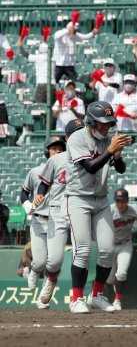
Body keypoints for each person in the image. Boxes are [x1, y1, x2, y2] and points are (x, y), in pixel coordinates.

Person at [65, 101, 131, 313]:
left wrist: (117, 153)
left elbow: (120, 169)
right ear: (91, 122)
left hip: (101, 199)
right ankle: (76, 298)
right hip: (78, 198)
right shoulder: (77, 138)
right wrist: (111, 150)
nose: (106, 127)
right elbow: (91, 167)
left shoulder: (109, 140)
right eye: (102, 123)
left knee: (107, 250)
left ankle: (97, 295)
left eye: (108, 124)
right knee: (82, 250)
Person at [36, 119, 85, 308]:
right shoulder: (56, 159)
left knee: (80, 255)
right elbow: (44, 183)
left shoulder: (89, 157)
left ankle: (77, 296)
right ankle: (51, 278)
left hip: (79, 209)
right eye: (76, 133)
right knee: (54, 260)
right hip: (57, 210)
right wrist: (40, 194)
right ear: (68, 138)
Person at [20, 136, 66, 300]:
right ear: (47, 151)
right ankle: (32, 270)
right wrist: (26, 204)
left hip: (58, 219)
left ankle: (45, 293)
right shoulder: (35, 171)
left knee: (53, 261)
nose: (57, 151)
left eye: (60, 149)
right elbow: (24, 192)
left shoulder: (66, 171)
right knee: (39, 262)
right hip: (39, 220)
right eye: (53, 148)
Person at [108, 188, 137, 311]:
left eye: (123, 201)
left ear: (127, 200)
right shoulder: (109, 210)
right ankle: (95, 296)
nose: (120, 204)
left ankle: (117, 300)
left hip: (125, 244)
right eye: (118, 201)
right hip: (110, 244)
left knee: (121, 273)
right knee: (109, 279)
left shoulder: (134, 209)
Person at [18, 39, 54, 104]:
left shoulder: (38, 57)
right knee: (50, 108)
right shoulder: (53, 58)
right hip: (52, 85)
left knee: (39, 106)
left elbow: (25, 54)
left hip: (41, 85)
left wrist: (20, 46)